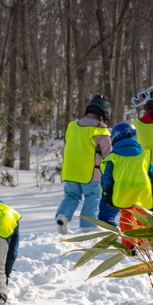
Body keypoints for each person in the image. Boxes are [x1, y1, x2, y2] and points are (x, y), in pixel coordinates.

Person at [97, 121, 153, 239]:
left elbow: (107, 177)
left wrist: (107, 192)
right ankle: (143, 242)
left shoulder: (112, 157)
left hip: (123, 191)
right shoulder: (144, 155)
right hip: (143, 192)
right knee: (143, 215)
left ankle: (130, 244)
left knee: (127, 216)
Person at [55, 95, 112, 234]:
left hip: (70, 171)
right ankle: (88, 224)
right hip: (90, 173)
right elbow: (108, 154)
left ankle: (63, 216)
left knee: (71, 196)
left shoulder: (72, 126)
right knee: (92, 196)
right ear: (104, 113)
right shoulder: (100, 130)